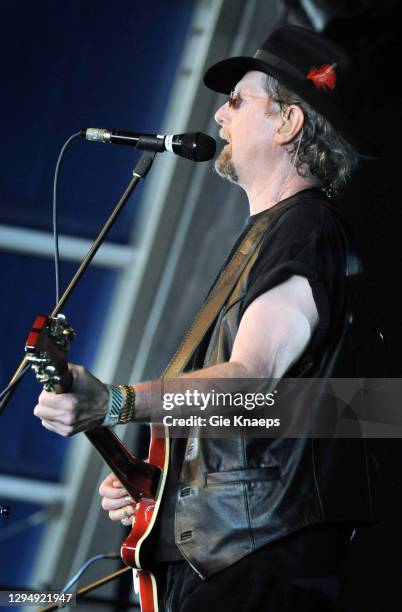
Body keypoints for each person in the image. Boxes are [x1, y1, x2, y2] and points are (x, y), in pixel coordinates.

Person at [34, 25, 377, 611]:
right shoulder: (274, 234)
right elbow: (269, 419)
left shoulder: (305, 229)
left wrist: (114, 403)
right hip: (226, 558)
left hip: (256, 563)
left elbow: (250, 383)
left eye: (239, 101)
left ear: (289, 124)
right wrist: (157, 487)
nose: (219, 115)